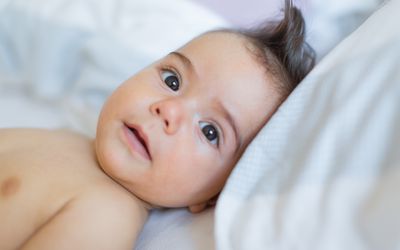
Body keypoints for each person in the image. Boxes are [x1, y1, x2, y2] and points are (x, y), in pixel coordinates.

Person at [0, 0, 314, 249]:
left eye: (210, 131)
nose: (168, 111)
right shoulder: (68, 138)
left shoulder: (107, 217)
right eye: (172, 79)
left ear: (214, 197)